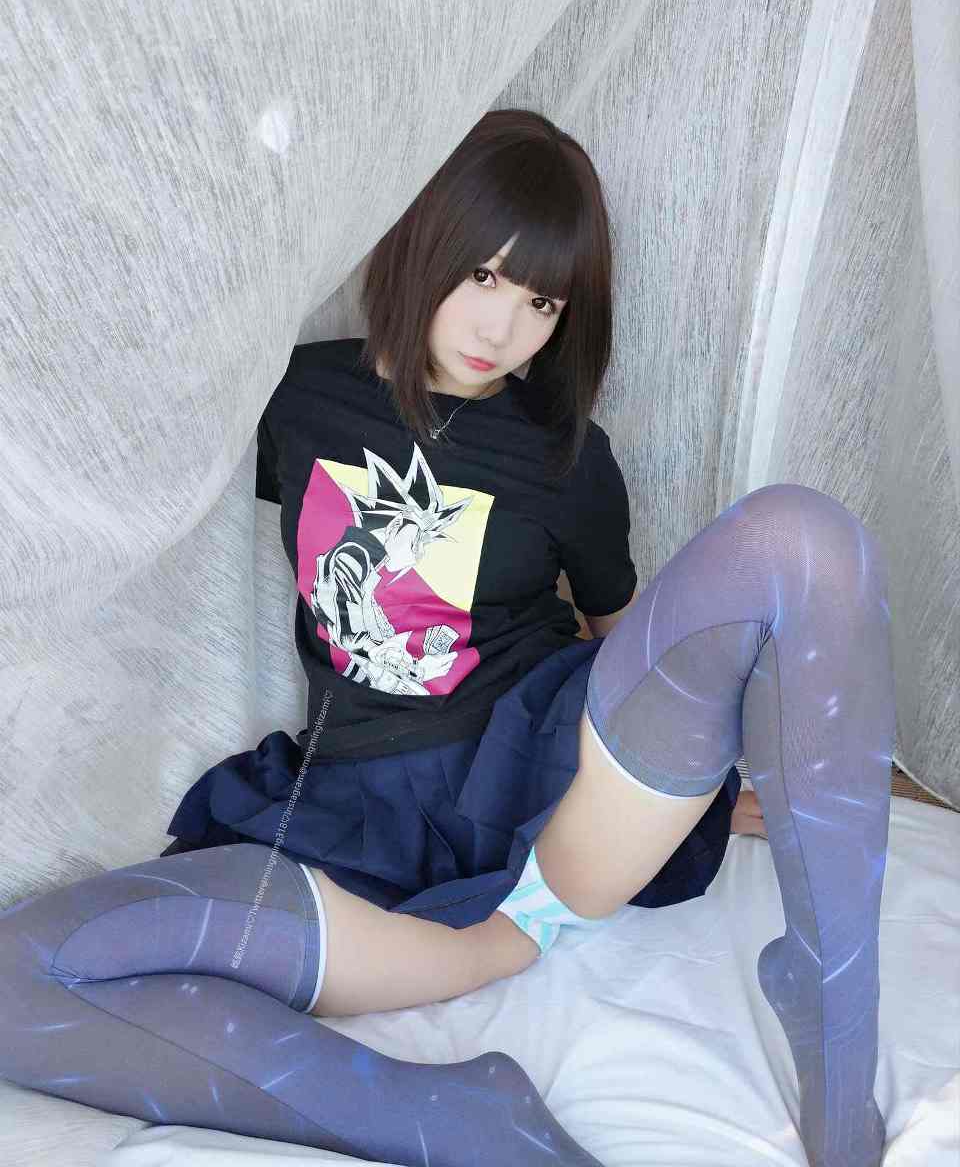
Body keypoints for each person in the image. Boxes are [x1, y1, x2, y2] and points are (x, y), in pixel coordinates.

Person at [0, 108, 895, 1167]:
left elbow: (629, 643)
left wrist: (723, 767)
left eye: (541, 302)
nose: (502, 330)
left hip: (552, 791)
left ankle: (835, 1037)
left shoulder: (569, 460)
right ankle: (458, 1119)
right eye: (483, 276)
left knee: (801, 540)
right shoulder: (296, 396)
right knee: (20, 979)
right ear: (423, 237)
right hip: (354, 822)